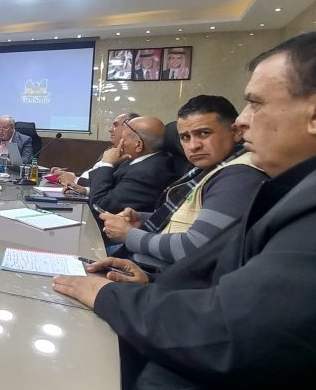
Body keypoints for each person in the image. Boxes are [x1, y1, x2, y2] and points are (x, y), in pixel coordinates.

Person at [53, 28, 316, 390]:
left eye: (255, 104)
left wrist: (107, 294)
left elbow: (229, 334)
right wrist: (152, 283)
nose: (241, 122)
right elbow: (253, 289)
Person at [99, 95, 267, 269]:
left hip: (158, 274)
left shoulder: (238, 176)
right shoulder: (212, 166)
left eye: (204, 133)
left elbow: (193, 248)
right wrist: (141, 219)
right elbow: (192, 221)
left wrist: (129, 235)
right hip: (146, 263)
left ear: (236, 132)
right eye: (185, 137)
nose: (193, 146)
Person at [88, 115, 177, 216]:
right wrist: (87, 191)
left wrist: (106, 164)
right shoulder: (141, 160)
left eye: (123, 139)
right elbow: (110, 189)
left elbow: (99, 208)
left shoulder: (147, 174)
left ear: (138, 145)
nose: (120, 144)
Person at [52, 112, 139, 194]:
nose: (110, 129)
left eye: (115, 125)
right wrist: (70, 174)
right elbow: (94, 173)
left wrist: (76, 180)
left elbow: (108, 184)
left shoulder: (128, 155)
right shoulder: (110, 149)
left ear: (129, 128)